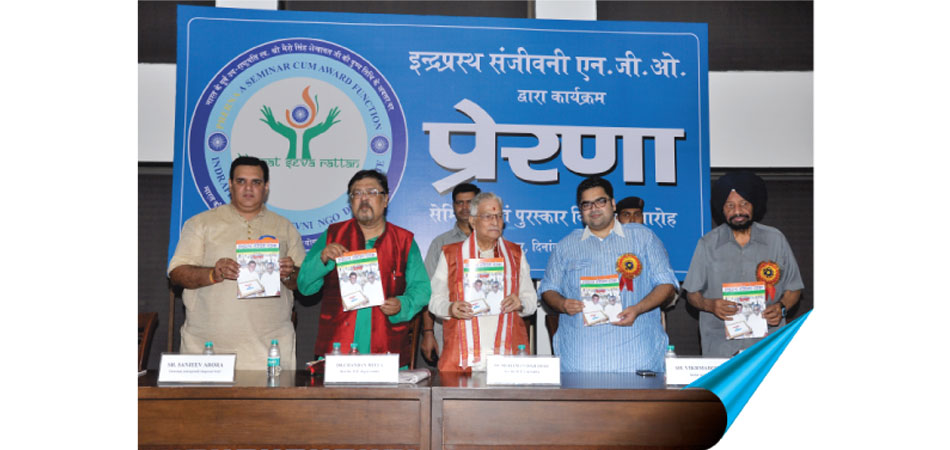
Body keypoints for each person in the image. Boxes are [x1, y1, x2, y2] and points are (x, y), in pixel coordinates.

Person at [168, 156, 304, 370]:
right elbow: (176, 274)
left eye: (256, 182)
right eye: (241, 181)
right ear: (230, 185)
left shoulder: (285, 227)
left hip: (270, 350)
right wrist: (213, 273)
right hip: (208, 349)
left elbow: (303, 282)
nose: (248, 188)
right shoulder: (201, 223)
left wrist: (289, 273)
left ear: (266, 187)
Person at [539, 176, 678, 372]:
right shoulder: (565, 246)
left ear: (613, 204)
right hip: (580, 364)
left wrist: (638, 309)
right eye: (586, 204)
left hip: (638, 360)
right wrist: (562, 304)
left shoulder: (643, 237)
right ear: (580, 211)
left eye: (600, 201)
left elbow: (666, 285)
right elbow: (548, 290)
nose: (594, 208)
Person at [297, 169, 431, 368]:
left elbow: (422, 289)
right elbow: (305, 287)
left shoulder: (404, 241)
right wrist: (322, 259)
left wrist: (402, 304)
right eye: (357, 193)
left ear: (385, 200)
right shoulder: (333, 234)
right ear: (350, 201)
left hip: (386, 347)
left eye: (371, 192)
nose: (364, 198)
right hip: (338, 346)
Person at [683, 171, 804, 357]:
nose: (737, 211)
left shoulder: (776, 239)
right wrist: (710, 305)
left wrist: (782, 307)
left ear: (754, 205)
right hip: (720, 347)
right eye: (730, 205)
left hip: (768, 346)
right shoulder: (707, 244)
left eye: (744, 204)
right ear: (722, 209)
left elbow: (794, 288)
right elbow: (691, 294)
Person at [428, 192, 537, 372]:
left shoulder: (515, 254)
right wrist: (451, 308)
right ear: (472, 221)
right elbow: (434, 300)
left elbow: (531, 301)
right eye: (488, 216)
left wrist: (521, 303)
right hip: (461, 357)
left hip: (507, 357)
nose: (495, 222)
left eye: (499, 216)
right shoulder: (451, 254)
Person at [421, 183, 481, 366]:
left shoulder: (495, 242)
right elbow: (428, 291)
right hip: (447, 329)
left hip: (486, 326)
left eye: (470, 202)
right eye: (459, 203)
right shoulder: (440, 243)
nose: (464, 207)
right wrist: (428, 333)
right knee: (449, 378)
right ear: (453, 206)